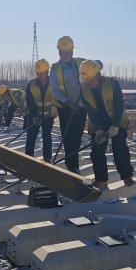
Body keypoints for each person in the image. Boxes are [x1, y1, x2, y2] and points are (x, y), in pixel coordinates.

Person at [79, 60, 134, 189]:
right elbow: (91, 112)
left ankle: (127, 176)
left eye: (92, 79)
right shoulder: (84, 89)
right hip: (98, 122)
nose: (90, 82)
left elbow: (119, 106)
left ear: (98, 74)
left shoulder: (112, 84)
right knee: (97, 151)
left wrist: (114, 126)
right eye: (88, 80)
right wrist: (98, 130)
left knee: (119, 148)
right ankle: (101, 180)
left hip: (117, 120)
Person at [50, 36, 88, 173]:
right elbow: (55, 90)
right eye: (62, 52)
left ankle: (73, 163)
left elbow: (97, 66)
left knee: (77, 137)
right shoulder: (55, 68)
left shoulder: (81, 62)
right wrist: (68, 102)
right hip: (65, 108)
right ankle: (72, 165)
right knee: (67, 138)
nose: (65, 54)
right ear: (59, 52)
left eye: (67, 52)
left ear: (72, 51)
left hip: (81, 107)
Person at [25, 59, 59, 162]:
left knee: (47, 136)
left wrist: (55, 107)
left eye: (42, 73)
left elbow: (58, 97)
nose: (40, 76)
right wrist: (34, 116)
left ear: (47, 72)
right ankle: (27, 157)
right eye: (38, 74)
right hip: (34, 116)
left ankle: (47, 158)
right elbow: (29, 102)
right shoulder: (31, 84)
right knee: (31, 136)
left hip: (48, 115)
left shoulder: (54, 83)